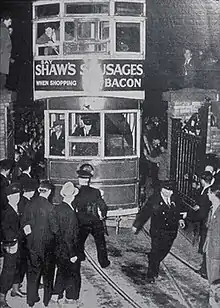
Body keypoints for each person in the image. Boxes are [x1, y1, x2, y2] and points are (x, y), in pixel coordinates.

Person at [132, 180, 186, 283]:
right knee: (156, 251)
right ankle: (151, 274)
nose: (171, 193)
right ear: (162, 189)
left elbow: (179, 209)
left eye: (171, 191)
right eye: (168, 191)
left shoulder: (175, 198)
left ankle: (153, 259)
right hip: (157, 231)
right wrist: (136, 225)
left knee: (164, 250)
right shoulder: (154, 199)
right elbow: (145, 213)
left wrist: (180, 219)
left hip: (171, 231)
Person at [21, 180, 55, 307]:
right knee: (48, 273)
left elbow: (24, 223)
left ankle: (31, 300)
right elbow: (55, 229)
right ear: (49, 192)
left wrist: (30, 238)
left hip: (32, 245)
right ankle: (46, 300)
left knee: (32, 272)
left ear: (39, 190)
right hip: (47, 246)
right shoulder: (50, 208)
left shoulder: (29, 204)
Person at [49, 182, 81, 306]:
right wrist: (72, 253)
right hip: (68, 249)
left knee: (61, 272)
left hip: (57, 247)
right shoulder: (71, 213)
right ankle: (69, 299)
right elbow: (69, 236)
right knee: (71, 274)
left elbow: (54, 229)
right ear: (72, 197)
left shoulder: (56, 208)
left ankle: (55, 298)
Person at [74, 163, 110, 268]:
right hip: (95, 221)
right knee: (100, 242)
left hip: (81, 221)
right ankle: (103, 262)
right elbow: (103, 206)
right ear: (89, 179)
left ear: (80, 179)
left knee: (79, 240)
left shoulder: (76, 192)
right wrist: (103, 216)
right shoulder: (95, 192)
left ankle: (80, 256)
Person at [10, 179, 39, 298]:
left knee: (24, 262)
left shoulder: (24, 201)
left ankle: (18, 284)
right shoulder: (25, 203)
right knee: (20, 263)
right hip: (22, 238)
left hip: (22, 237)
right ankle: (15, 289)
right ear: (31, 191)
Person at [0, 183, 21, 308]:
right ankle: (1, 298)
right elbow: (5, 229)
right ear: (8, 197)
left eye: (18, 194)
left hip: (16, 242)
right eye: (13, 195)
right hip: (11, 243)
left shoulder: (15, 207)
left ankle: (15, 290)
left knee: (15, 267)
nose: (16, 197)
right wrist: (13, 240)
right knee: (8, 271)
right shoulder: (8, 211)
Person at [190, 171, 213, 279]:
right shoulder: (204, 190)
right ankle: (204, 268)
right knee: (204, 246)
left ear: (203, 180)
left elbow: (204, 209)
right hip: (204, 223)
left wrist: (193, 214)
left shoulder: (209, 192)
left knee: (206, 247)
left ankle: (205, 271)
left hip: (206, 223)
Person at [205, 180, 220, 307]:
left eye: (209, 193)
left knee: (215, 280)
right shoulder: (212, 209)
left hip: (217, 252)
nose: (208, 194)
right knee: (211, 278)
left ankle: (215, 303)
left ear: (214, 194)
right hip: (209, 248)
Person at [0, 12, 13, 89]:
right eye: (9, 21)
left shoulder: (4, 29)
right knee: (3, 74)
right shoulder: (3, 29)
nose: (10, 23)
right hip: (3, 56)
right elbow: (7, 43)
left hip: (3, 55)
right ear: (5, 20)